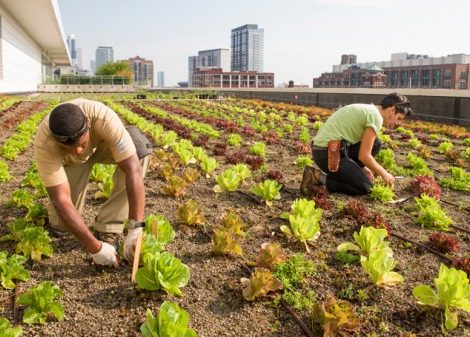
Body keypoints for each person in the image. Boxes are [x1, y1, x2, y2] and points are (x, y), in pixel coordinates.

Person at [33, 98, 152, 267]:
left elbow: (133, 169)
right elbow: (60, 200)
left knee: (140, 151)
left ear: (88, 123)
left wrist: (136, 226)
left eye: (81, 144)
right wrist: (95, 248)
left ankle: (108, 226)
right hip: (70, 162)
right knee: (62, 226)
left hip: (102, 146)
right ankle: (63, 224)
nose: (79, 151)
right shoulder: (45, 143)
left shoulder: (103, 118)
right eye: (70, 147)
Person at [300, 93, 412, 196]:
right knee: (366, 188)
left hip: (330, 150)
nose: (397, 123)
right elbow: (364, 155)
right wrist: (384, 173)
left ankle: (348, 174)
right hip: (328, 154)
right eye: (399, 118)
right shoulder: (376, 117)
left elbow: (363, 152)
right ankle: (318, 177)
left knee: (376, 143)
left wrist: (362, 168)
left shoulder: (370, 110)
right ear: (392, 110)